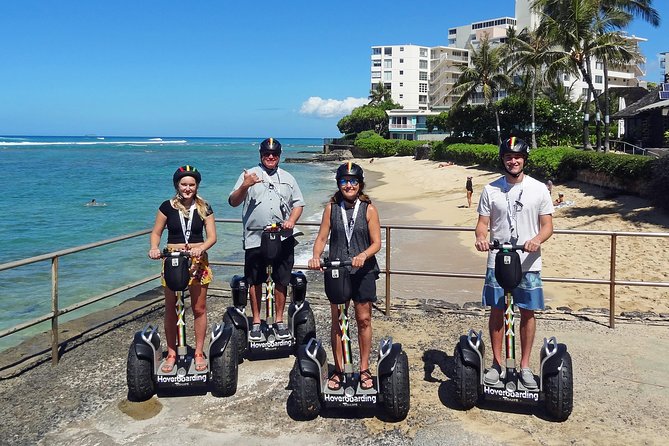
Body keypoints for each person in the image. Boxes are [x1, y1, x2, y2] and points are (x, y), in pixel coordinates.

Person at [474, 137, 554, 389]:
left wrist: (536, 240)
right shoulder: (491, 189)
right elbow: (482, 224)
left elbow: (548, 226)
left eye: (517, 157)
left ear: (524, 159)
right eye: (509, 157)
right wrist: (480, 238)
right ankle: (497, 364)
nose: (513, 161)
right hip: (497, 261)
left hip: (528, 262)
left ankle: (525, 366)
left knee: (527, 312)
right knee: (497, 310)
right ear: (503, 160)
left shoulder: (539, 189)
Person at [308, 162, 382, 391]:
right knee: (339, 321)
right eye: (344, 181)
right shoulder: (331, 208)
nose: (348, 185)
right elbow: (321, 238)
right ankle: (339, 369)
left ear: (360, 185)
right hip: (337, 269)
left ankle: (364, 368)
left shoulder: (369, 208)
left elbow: (377, 242)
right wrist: (315, 256)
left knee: (363, 319)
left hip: (363, 270)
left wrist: (363, 255)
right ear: (338, 184)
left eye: (353, 181)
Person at [228, 138, 305, 341]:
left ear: (279, 155)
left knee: (282, 278)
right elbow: (233, 202)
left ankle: (279, 321)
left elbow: (298, 203)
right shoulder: (249, 175)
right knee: (255, 279)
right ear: (261, 154)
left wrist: (291, 220)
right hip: (255, 236)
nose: (270, 157)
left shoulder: (288, 178)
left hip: (283, 236)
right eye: (266, 154)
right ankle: (255, 321)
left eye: (274, 154)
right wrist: (245, 186)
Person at [148, 165, 217, 373]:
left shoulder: (204, 207)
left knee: (198, 308)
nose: (188, 188)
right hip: (173, 260)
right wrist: (153, 248)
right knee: (171, 308)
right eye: (184, 184)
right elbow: (156, 233)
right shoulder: (167, 207)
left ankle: (197, 352)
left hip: (197, 261)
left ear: (197, 186)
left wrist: (201, 248)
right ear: (177, 185)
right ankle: (171, 353)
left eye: (191, 184)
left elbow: (212, 236)